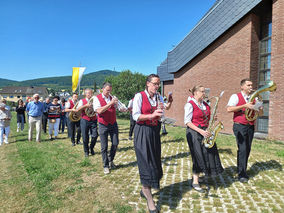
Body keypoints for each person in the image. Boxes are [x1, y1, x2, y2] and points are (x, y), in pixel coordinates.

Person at [132, 74, 164, 213]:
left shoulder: (159, 97)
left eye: (158, 84)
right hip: (142, 131)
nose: (157, 86)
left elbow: (161, 114)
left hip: (154, 132)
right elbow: (135, 115)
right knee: (146, 164)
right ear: (148, 84)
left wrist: (161, 114)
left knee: (155, 162)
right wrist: (151, 116)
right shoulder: (139, 96)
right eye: (155, 84)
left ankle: (145, 190)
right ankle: (150, 201)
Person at [184, 85, 224, 192]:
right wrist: (201, 131)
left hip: (205, 131)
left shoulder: (205, 104)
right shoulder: (190, 104)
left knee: (208, 153)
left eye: (204, 91)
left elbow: (206, 117)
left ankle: (201, 175)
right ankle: (195, 181)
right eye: (202, 91)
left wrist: (212, 117)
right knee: (197, 156)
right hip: (194, 133)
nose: (204, 94)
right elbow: (187, 122)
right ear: (195, 92)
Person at [227, 78, 263, 183]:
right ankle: (241, 173)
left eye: (251, 85)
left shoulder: (255, 99)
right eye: (248, 85)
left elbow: (260, 114)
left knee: (247, 149)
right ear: (242, 86)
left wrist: (260, 108)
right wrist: (244, 105)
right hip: (239, 126)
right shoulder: (235, 96)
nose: (251, 87)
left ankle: (242, 169)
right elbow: (229, 109)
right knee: (242, 148)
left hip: (250, 126)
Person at [93, 82, 127, 174]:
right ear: (102, 89)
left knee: (115, 143)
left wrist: (122, 108)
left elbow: (119, 108)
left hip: (113, 123)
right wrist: (110, 103)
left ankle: (110, 160)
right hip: (103, 124)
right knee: (104, 147)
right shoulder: (96, 98)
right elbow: (99, 111)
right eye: (107, 90)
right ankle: (105, 166)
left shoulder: (112, 98)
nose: (109, 92)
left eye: (110, 90)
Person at [73, 89, 98, 157]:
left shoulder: (95, 101)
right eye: (88, 93)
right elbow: (77, 109)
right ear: (85, 94)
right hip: (85, 120)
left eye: (91, 93)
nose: (90, 94)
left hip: (93, 119)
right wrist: (85, 106)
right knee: (85, 137)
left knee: (95, 135)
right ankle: (86, 151)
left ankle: (91, 148)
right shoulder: (82, 101)